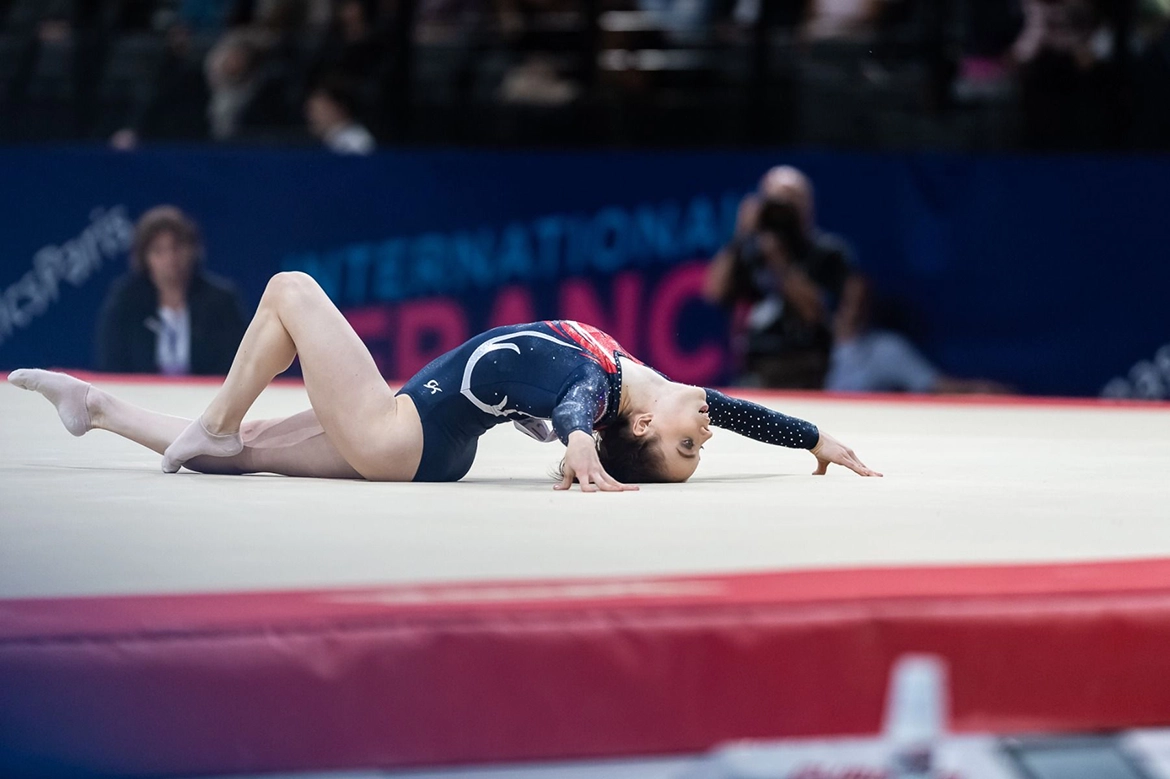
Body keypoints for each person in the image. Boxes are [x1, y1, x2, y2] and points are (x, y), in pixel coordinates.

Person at [12, 272, 880, 489]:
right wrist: (813, 437)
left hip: (401, 434)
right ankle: (97, 406)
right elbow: (734, 406)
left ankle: (208, 420)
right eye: (707, 437)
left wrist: (579, 442)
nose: (711, 427)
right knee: (238, 455)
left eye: (692, 444)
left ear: (643, 431)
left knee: (290, 292)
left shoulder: (600, 388)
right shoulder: (635, 379)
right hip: (423, 443)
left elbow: (576, 399)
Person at [704, 165, 861, 389]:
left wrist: (781, 262)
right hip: (755, 370)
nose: (782, 209)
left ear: (808, 206)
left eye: (791, 200)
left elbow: (815, 313)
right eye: (775, 200)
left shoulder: (828, 252)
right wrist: (740, 235)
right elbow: (714, 292)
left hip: (807, 373)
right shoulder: (750, 250)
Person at [95, 205, 248, 375]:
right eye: (158, 251)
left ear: (193, 250)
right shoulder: (125, 300)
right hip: (140, 396)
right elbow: (113, 363)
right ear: (144, 257)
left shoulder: (221, 300)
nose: (170, 258)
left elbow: (237, 363)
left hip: (207, 396)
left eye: (177, 247)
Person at [305, 78, 375, 154]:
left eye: (319, 110)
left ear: (340, 108)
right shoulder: (331, 142)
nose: (311, 117)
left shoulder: (356, 142)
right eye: (310, 111)